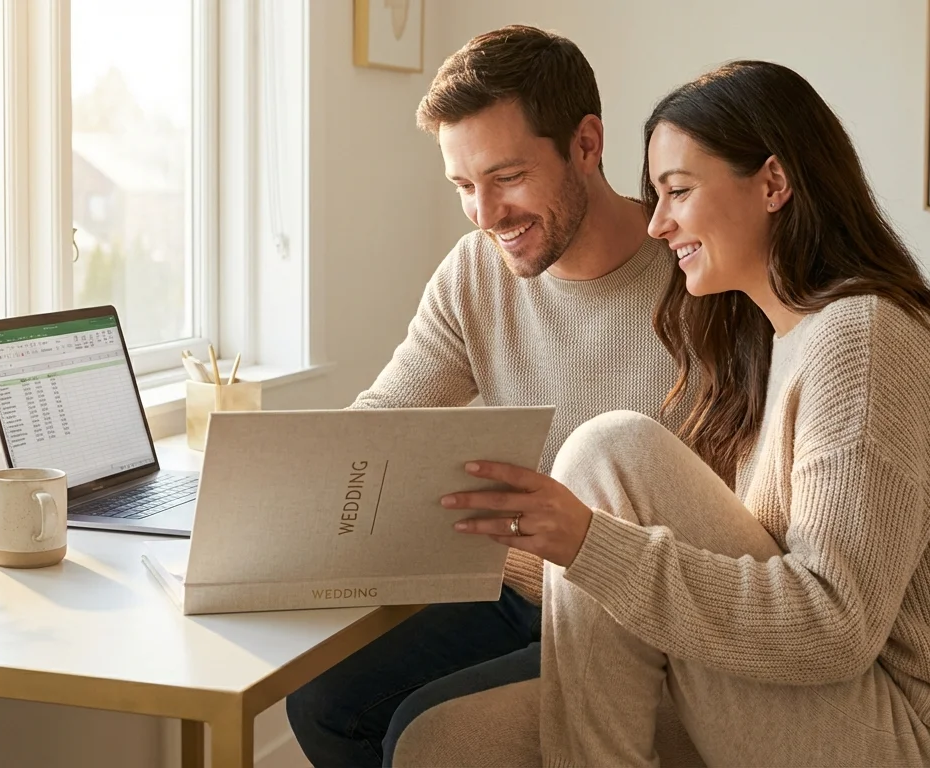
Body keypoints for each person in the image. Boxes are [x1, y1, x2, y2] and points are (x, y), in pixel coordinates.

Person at [395, 60, 930, 767]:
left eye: (678, 192)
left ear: (773, 184)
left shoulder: (863, 341)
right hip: (818, 692)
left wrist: (588, 544)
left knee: (609, 449)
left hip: (902, 731)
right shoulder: (792, 338)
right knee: (438, 742)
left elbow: (833, 629)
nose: (659, 224)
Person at [285, 25, 688, 768]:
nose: (485, 214)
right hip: (517, 591)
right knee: (321, 703)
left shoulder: (693, 279)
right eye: (464, 186)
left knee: (420, 727)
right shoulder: (477, 271)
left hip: (630, 610)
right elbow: (382, 423)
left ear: (587, 144)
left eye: (506, 177)